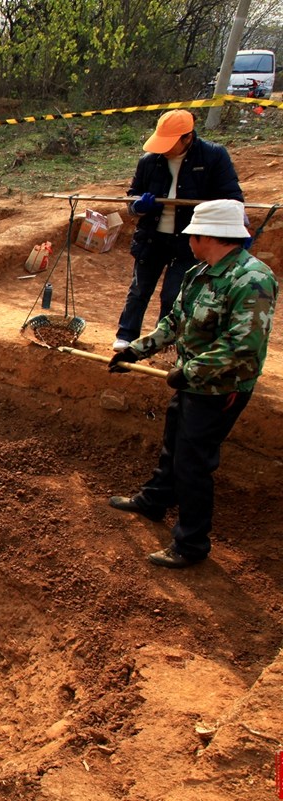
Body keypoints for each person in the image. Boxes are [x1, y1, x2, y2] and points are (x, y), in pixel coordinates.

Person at [108, 200, 276, 568]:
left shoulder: (252, 280)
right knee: (174, 444)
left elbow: (243, 346)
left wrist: (191, 372)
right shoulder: (200, 272)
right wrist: (135, 352)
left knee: (193, 463)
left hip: (219, 390)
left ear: (208, 236)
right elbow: (176, 321)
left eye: (191, 236)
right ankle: (154, 501)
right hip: (191, 382)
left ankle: (191, 543)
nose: (187, 241)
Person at [112, 109, 243, 352]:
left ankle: (163, 342)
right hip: (152, 237)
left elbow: (232, 198)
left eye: (170, 143)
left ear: (188, 137)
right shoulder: (149, 161)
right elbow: (131, 201)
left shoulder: (213, 157)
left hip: (190, 241)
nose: (164, 149)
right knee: (139, 289)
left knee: (175, 294)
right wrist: (138, 207)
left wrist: (234, 229)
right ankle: (126, 335)